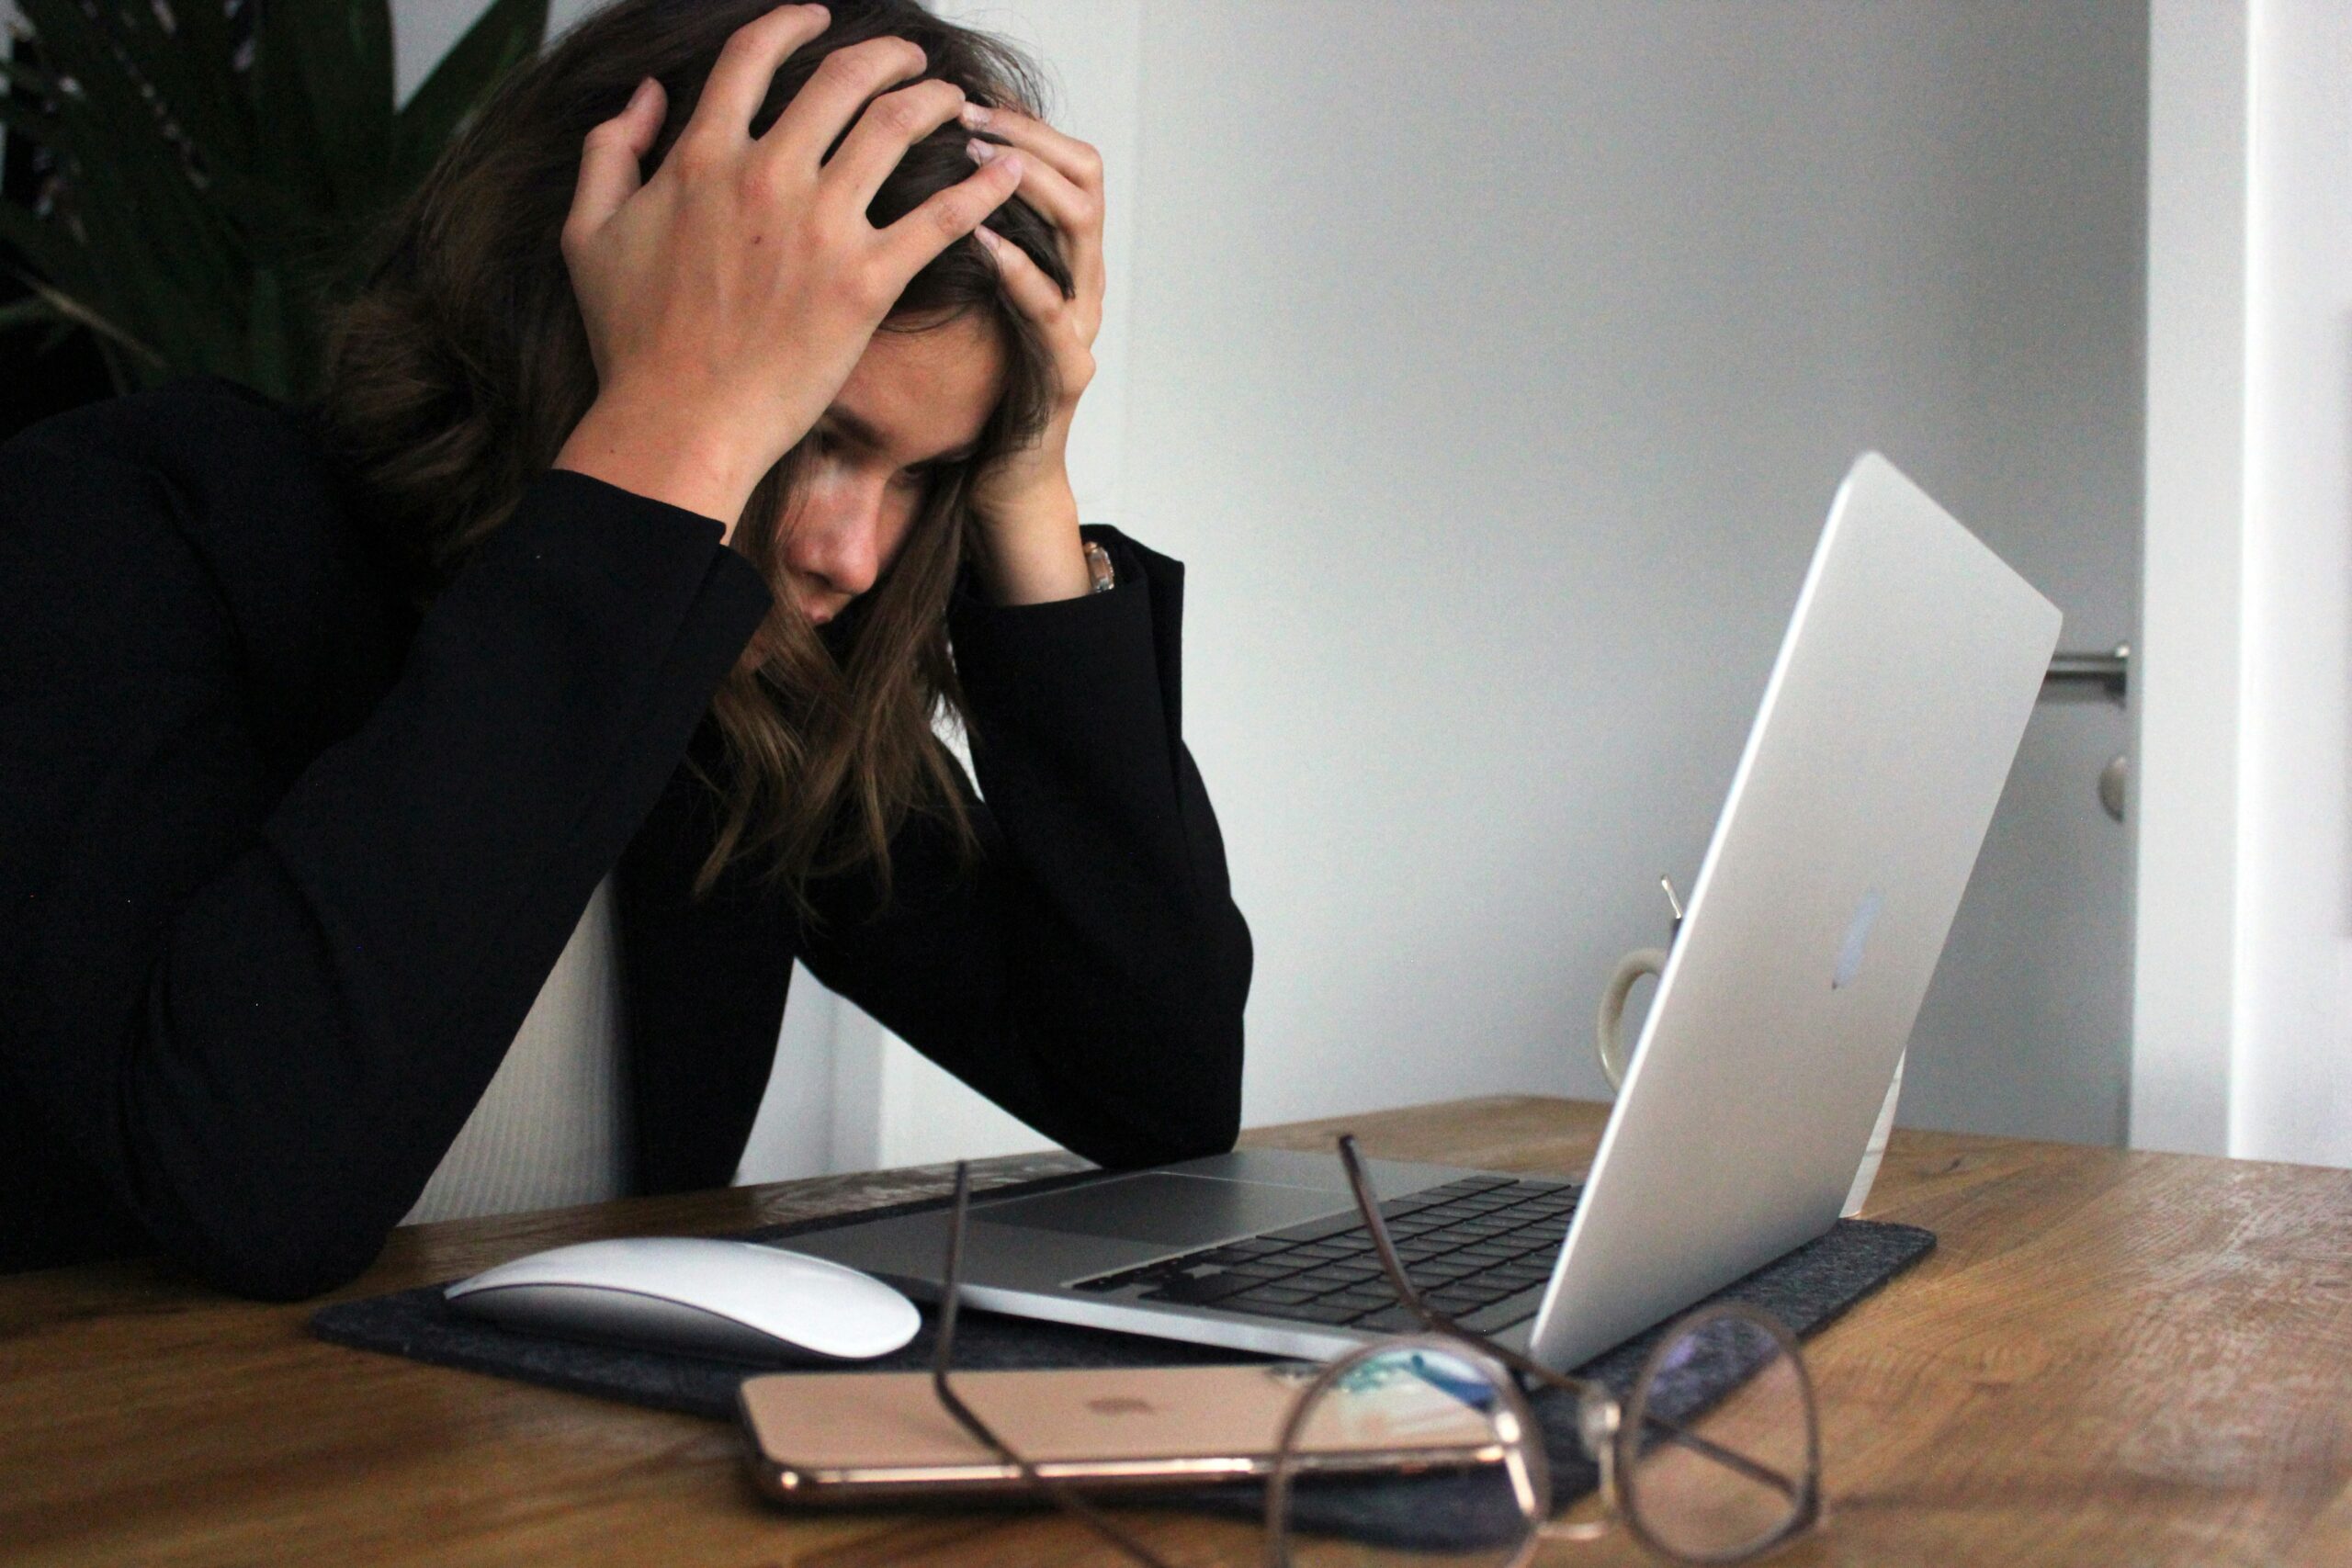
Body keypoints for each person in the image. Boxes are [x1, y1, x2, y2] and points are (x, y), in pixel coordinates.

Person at [0, 0, 1251, 1299]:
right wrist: (675, 432)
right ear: (580, 304)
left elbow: (1155, 1087)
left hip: (574, 1489)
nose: (851, 556)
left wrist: (1023, 484)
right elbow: (252, 1190)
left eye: (922, 477)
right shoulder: (117, 526)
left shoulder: (740, 687)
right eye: (816, 431)